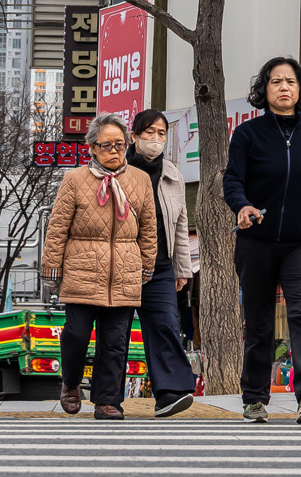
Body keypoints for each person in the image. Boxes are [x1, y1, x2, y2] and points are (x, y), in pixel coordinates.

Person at [224, 56, 301, 425]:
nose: (284, 87)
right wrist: (242, 206)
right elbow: (232, 181)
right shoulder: (247, 134)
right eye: (276, 81)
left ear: (300, 89)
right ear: (263, 90)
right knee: (259, 322)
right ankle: (254, 398)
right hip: (257, 239)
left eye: (291, 81)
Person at [42, 112, 160, 420]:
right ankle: (70, 383)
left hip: (124, 269)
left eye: (119, 145)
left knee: (115, 341)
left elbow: (149, 227)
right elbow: (57, 227)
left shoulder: (140, 180)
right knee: (77, 333)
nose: (114, 151)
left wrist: (147, 264)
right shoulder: (75, 179)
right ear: (92, 147)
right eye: (106, 145)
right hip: (81, 268)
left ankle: (108, 402)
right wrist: (51, 266)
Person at [127, 108, 198, 417]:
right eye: (149, 133)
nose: (155, 140)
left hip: (161, 265)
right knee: (116, 330)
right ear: (134, 137)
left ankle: (170, 392)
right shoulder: (118, 170)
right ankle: (107, 396)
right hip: (122, 264)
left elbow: (180, 225)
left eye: (161, 134)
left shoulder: (172, 174)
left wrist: (182, 268)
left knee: (165, 325)